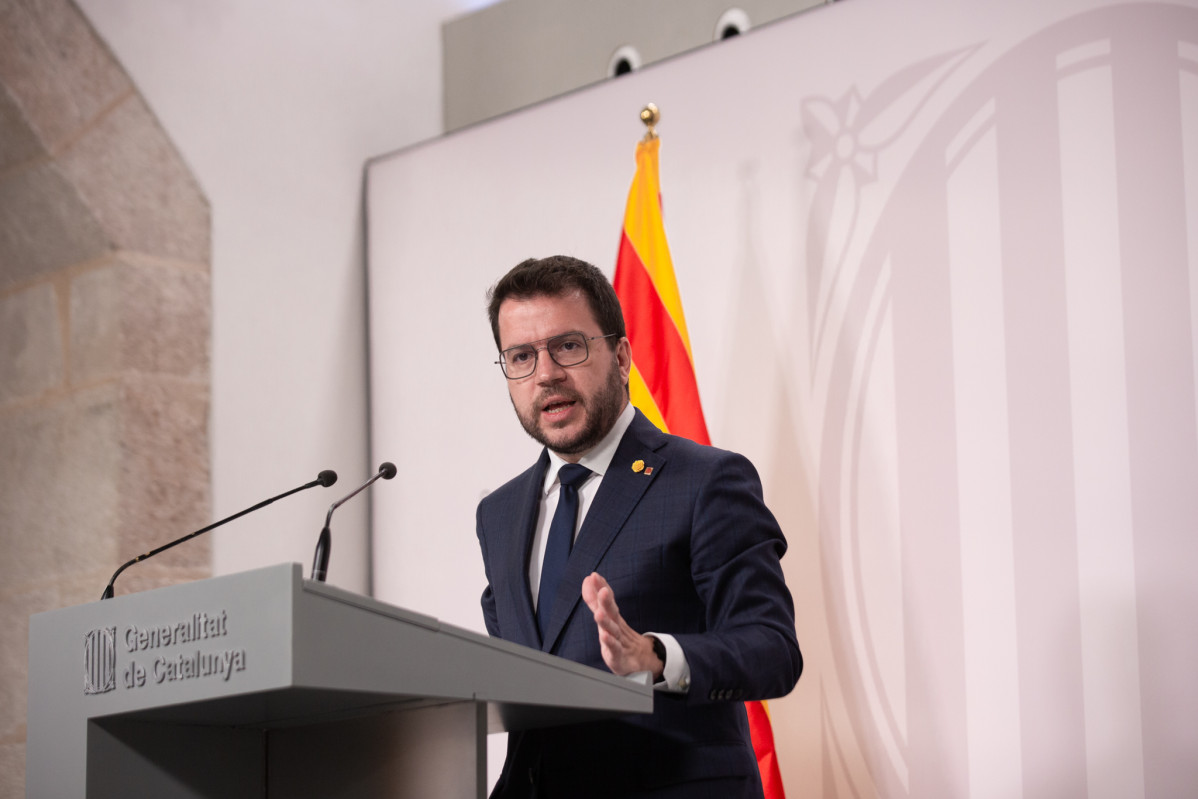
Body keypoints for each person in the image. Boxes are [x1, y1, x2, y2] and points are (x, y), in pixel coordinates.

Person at [476, 255, 802, 798]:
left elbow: (773, 649)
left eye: (569, 346)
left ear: (621, 356)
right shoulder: (499, 514)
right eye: (521, 356)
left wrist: (655, 657)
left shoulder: (705, 481)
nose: (547, 373)